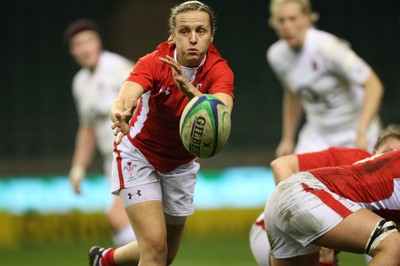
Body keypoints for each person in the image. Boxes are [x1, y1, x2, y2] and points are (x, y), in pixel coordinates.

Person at [87, 1, 234, 265]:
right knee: (155, 249)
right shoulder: (155, 62)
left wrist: (190, 90)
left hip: (181, 166)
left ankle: (106, 260)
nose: (192, 39)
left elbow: (221, 113)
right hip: (139, 156)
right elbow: (123, 98)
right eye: (184, 31)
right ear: (172, 35)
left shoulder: (219, 70)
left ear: (212, 36)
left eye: (200, 31)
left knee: (164, 254)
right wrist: (120, 113)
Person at [249, 124, 400, 266]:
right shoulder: (354, 158)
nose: (389, 159)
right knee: (394, 245)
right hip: (294, 201)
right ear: (374, 153)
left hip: (290, 201)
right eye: (388, 153)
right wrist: (316, 221)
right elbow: (281, 164)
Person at [268, 0, 384, 158]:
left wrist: (362, 130)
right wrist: (287, 139)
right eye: (281, 20)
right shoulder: (276, 56)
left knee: (362, 180)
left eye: (293, 18)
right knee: (290, 174)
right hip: (318, 133)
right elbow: (293, 94)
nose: (287, 26)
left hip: (354, 128)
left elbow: (374, 85)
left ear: (307, 17)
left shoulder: (328, 47)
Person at [64, 19, 136, 247]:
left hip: (134, 152)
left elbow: (147, 101)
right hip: (112, 161)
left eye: (88, 41)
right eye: (78, 44)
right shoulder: (79, 83)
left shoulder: (119, 68)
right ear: (72, 51)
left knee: (118, 218)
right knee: (129, 223)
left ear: (98, 43)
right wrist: (78, 168)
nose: (84, 48)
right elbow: (87, 128)